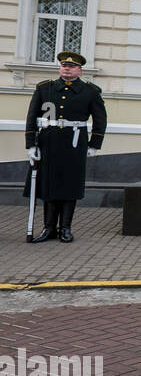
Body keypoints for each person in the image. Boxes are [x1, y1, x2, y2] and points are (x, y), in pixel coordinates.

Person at [24, 51, 107, 243]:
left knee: (70, 186)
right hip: (48, 142)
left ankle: (66, 228)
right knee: (49, 186)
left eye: (71, 67)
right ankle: (49, 228)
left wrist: (94, 144)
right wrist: (31, 145)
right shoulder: (45, 88)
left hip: (74, 143)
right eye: (64, 66)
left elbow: (100, 119)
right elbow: (32, 117)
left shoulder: (90, 92)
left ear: (79, 70)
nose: (67, 69)